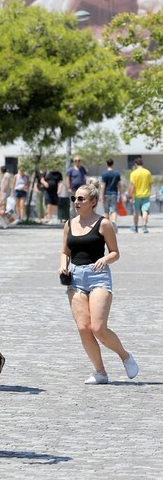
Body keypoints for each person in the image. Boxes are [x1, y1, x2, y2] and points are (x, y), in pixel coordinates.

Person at [59, 181, 139, 385]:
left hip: (98, 276)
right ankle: (100, 372)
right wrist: (63, 266)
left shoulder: (104, 224)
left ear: (93, 202)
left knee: (98, 327)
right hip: (75, 277)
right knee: (83, 328)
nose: (76, 202)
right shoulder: (69, 224)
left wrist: (105, 259)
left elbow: (115, 253)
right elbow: (64, 252)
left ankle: (125, 356)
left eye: (81, 199)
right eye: (74, 198)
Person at [128, 156, 153, 234]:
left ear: (136, 164)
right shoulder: (147, 172)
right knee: (145, 210)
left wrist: (130, 196)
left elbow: (132, 185)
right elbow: (150, 184)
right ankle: (144, 226)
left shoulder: (134, 173)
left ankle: (135, 227)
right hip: (146, 194)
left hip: (137, 195)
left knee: (136, 211)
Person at [100, 158, 122, 230]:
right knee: (114, 210)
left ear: (107, 164)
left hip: (106, 193)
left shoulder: (104, 174)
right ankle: (114, 221)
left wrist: (101, 195)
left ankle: (107, 225)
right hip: (114, 193)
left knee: (106, 211)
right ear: (113, 164)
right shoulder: (116, 173)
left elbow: (103, 185)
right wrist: (120, 194)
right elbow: (119, 184)